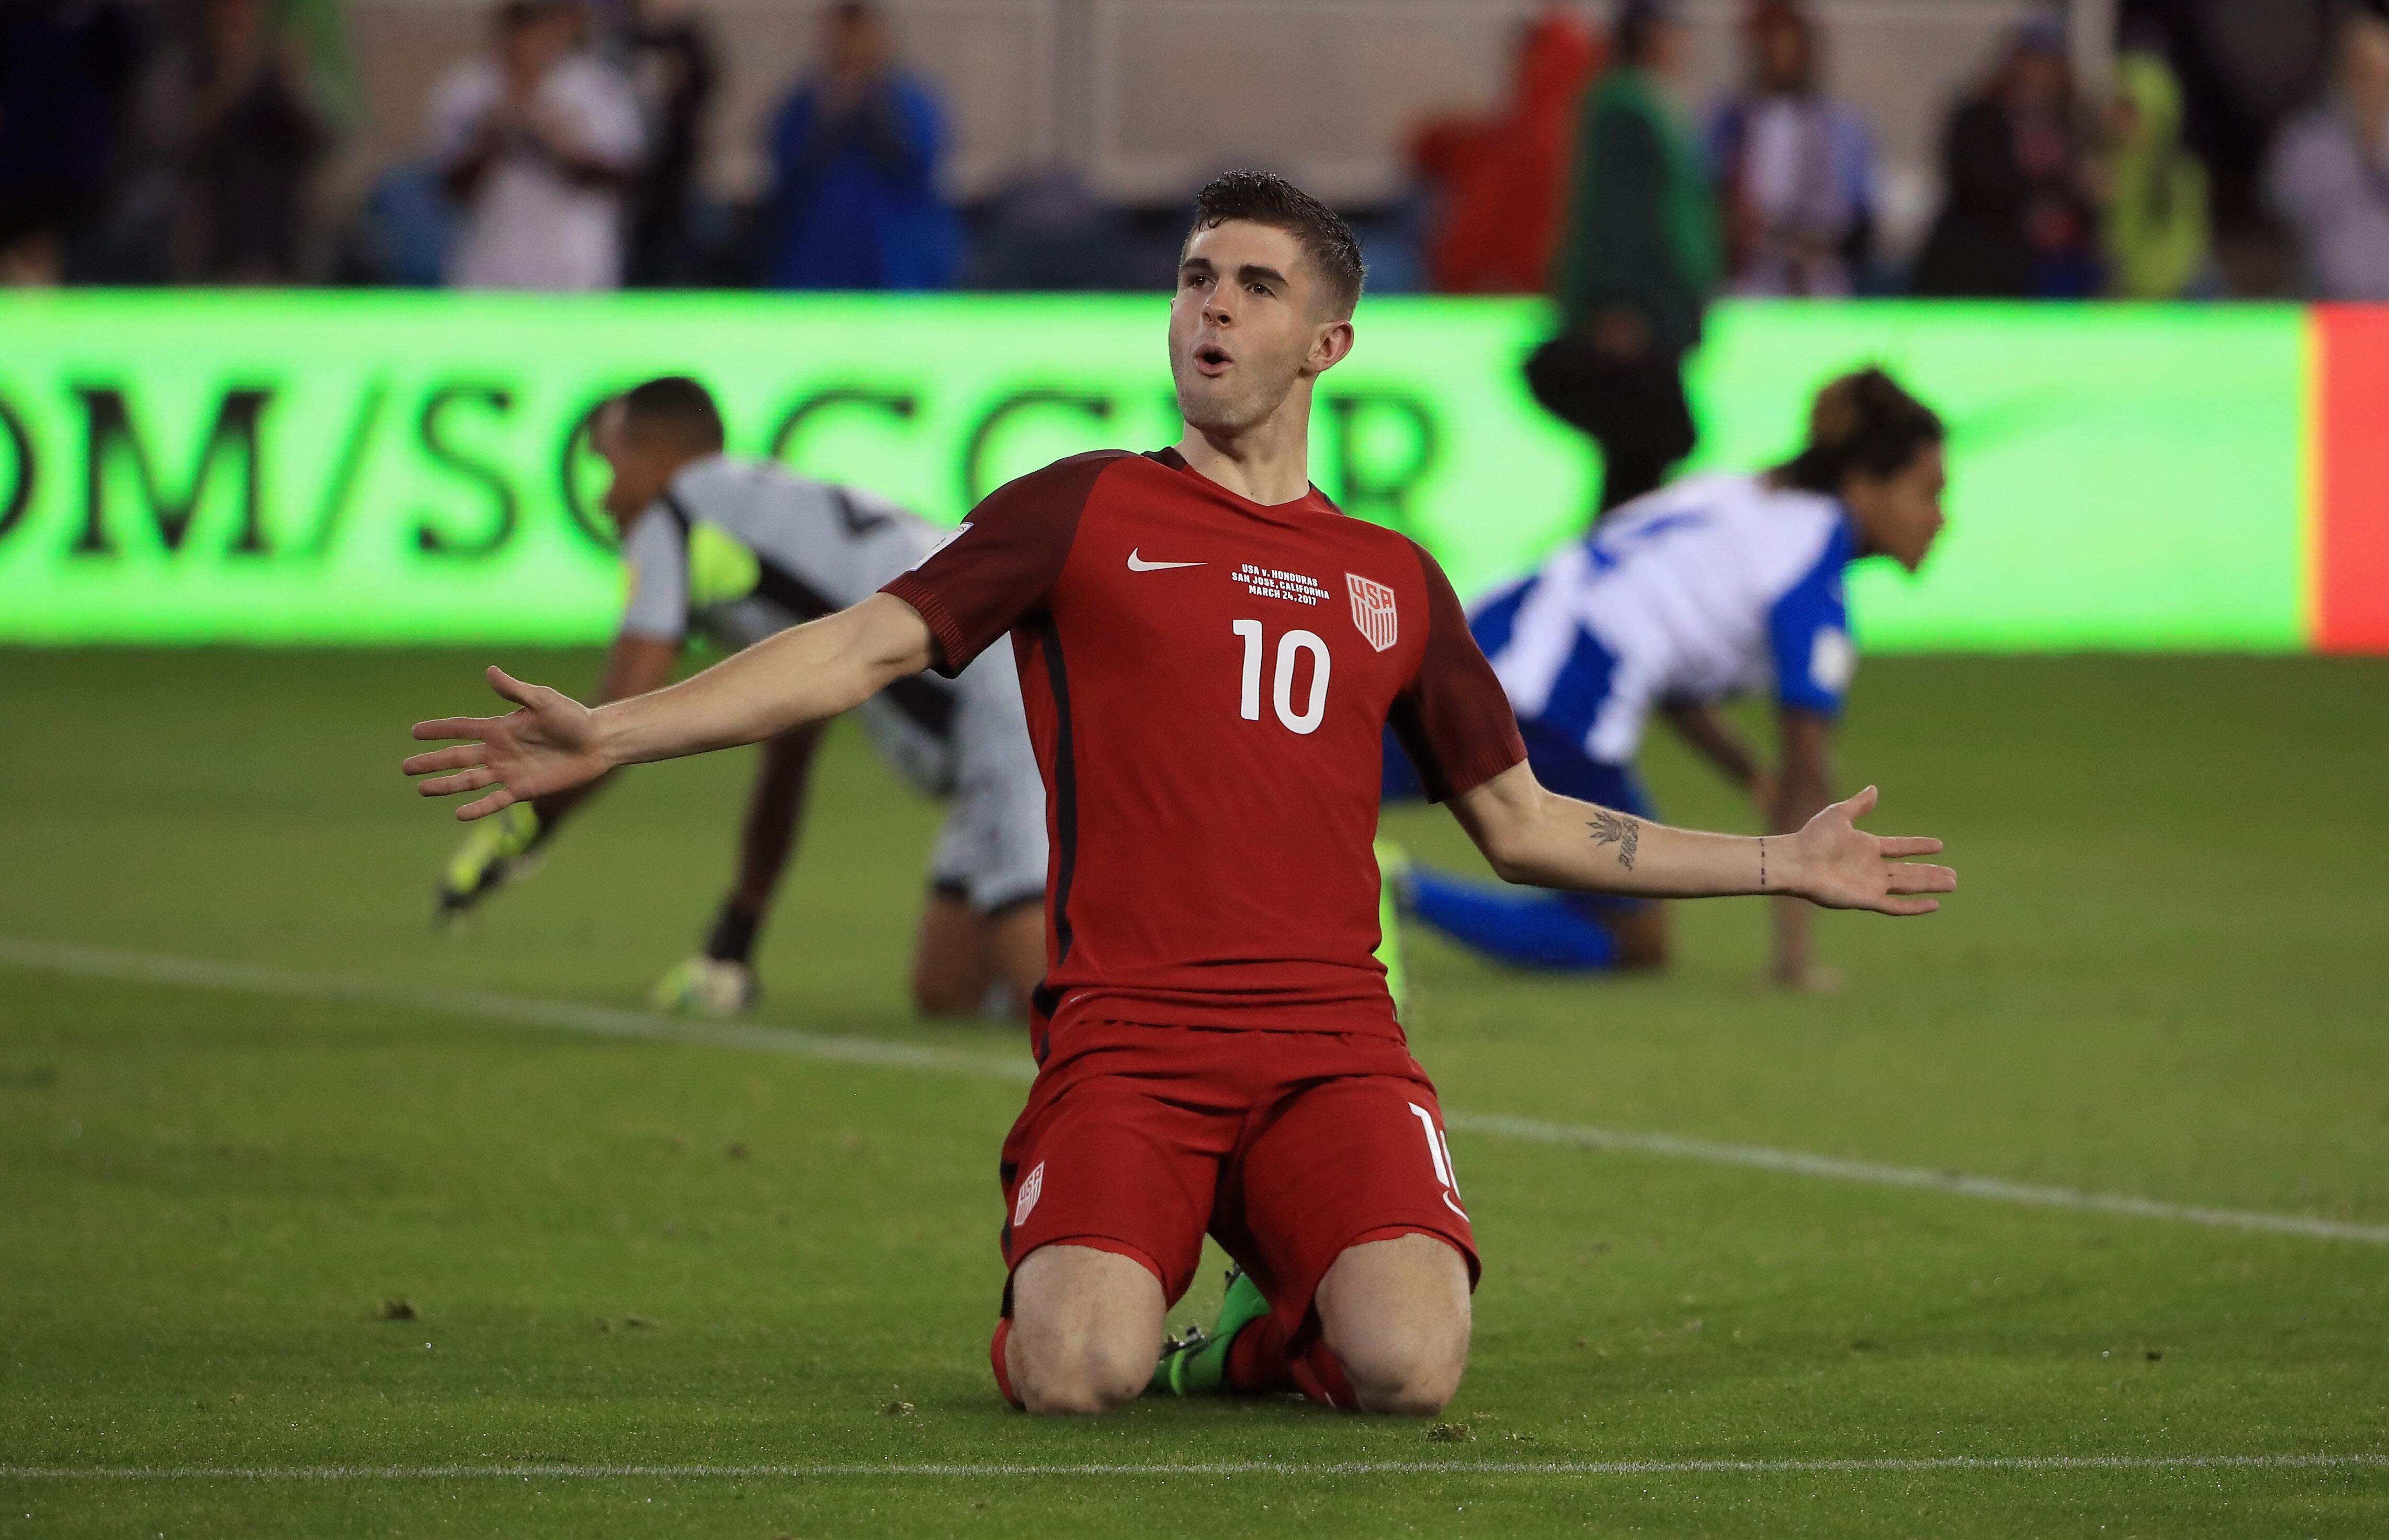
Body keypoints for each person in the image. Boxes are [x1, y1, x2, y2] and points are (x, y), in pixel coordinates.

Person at [404, 171, 1955, 1417]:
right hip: (1127, 1049)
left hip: (1334, 1050)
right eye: (1195, 280)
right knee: (1079, 1371)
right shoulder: (1084, 510)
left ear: (1326, 343)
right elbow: (854, 647)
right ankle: (1117, 1297)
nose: (1209, 309)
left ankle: (1244, 1345)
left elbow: (1529, 823)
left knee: (1411, 1367)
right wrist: (618, 731)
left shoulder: (1392, 582)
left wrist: (1781, 858)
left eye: (1253, 285)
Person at [433, 376, 1048, 1020]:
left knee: (1045, 986)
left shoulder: (674, 512)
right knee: (945, 990)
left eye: (607, 465)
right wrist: (738, 935)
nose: (602, 496)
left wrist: (529, 827)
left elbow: (609, 716)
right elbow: (788, 749)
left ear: (654, 454)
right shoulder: (760, 509)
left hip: (994, 691)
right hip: (998, 668)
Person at [1384, 368, 1946, 990]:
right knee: (1635, 938)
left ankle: (1347, 880)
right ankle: (1391, 887)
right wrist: (1794, 956)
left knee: (1311, 789)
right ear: (1864, 486)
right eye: (1928, 492)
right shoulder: (1811, 573)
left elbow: (1676, 671)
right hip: (1561, 697)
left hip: (1485, 635)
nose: (1940, 518)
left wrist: (1747, 772)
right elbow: (1807, 770)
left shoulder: (1741, 495)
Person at [1532, 0, 1721, 516]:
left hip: (1653, 310)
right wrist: (1617, 302)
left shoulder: (1640, 104)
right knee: (1645, 452)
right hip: (1640, 316)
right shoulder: (1625, 106)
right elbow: (1618, 210)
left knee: (1640, 458)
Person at [426, 0, 643, 290]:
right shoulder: (467, 88)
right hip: (489, 274)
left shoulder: (596, 87)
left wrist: (560, 145)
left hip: (574, 273)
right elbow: (445, 187)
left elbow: (623, 178)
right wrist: (493, 135)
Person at [758, 1, 958, 290]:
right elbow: (784, 172)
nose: (853, 47)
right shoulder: (806, 103)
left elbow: (923, 167)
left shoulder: (910, 101)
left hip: (896, 266)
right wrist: (829, 120)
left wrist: (877, 114)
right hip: (816, 266)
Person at [1408, 7, 1602, 296]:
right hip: (1538, 288)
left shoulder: (1511, 137)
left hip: (1476, 284)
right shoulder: (1585, 140)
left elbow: (1427, 147)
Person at [1911, 19, 2100, 299]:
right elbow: (1974, 181)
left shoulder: (2073, 121)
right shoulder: (1981, 115)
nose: (2040, 73)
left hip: (2049, 274)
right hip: (1975, 266)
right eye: (2032, 61)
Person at [1703, 1, 1875, 297]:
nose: (1780, 59)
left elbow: (1859, 216)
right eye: (1770, 47)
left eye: (1789, 48)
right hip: (1749, 282)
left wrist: (1813, 240)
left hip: (1818, 279)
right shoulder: (1730, 123)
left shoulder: (1840, 127)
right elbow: (1706, 195)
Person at [178, 0, 326, 282]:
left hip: (278, 242)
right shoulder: (193, 68)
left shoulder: (276, 75)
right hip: (214, 242)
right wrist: (230, 83)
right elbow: (179, 147)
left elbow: (318, 144)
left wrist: (295, 87)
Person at [0, 0, 144, 284]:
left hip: (84, 183)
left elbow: (129, 85)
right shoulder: (13, 18)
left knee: (85, 280)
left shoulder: (107, 20)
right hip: (17, 180)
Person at [2265, 7, 2389, 302]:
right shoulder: (2308, 138)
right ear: (2342, 71)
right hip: (2326, 309)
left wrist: (2378, 150)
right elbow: (2279, 203)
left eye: (2381, 74)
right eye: (2363, 71)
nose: (2372, 86)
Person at [2098, 49, 2211, 300]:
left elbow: (2179, 256)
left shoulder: (2177, 175)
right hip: (2123, 298)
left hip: (2169, 302)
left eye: (2130, 111)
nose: (2118, 120)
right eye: (2117, 108)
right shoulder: (2110, 164)